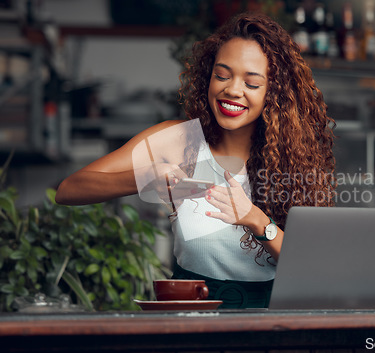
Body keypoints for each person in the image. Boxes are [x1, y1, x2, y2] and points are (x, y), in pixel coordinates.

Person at [55, 12, 336, 308]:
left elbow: (314, 269)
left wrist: (255, 219)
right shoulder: (178, 141)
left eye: (251, 83)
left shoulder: (293, 161)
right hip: (189, 312)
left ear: (274, 94)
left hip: (268, 317)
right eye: (222, 75)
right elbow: (69, 190)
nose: (232, 90)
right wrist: (145, 177)